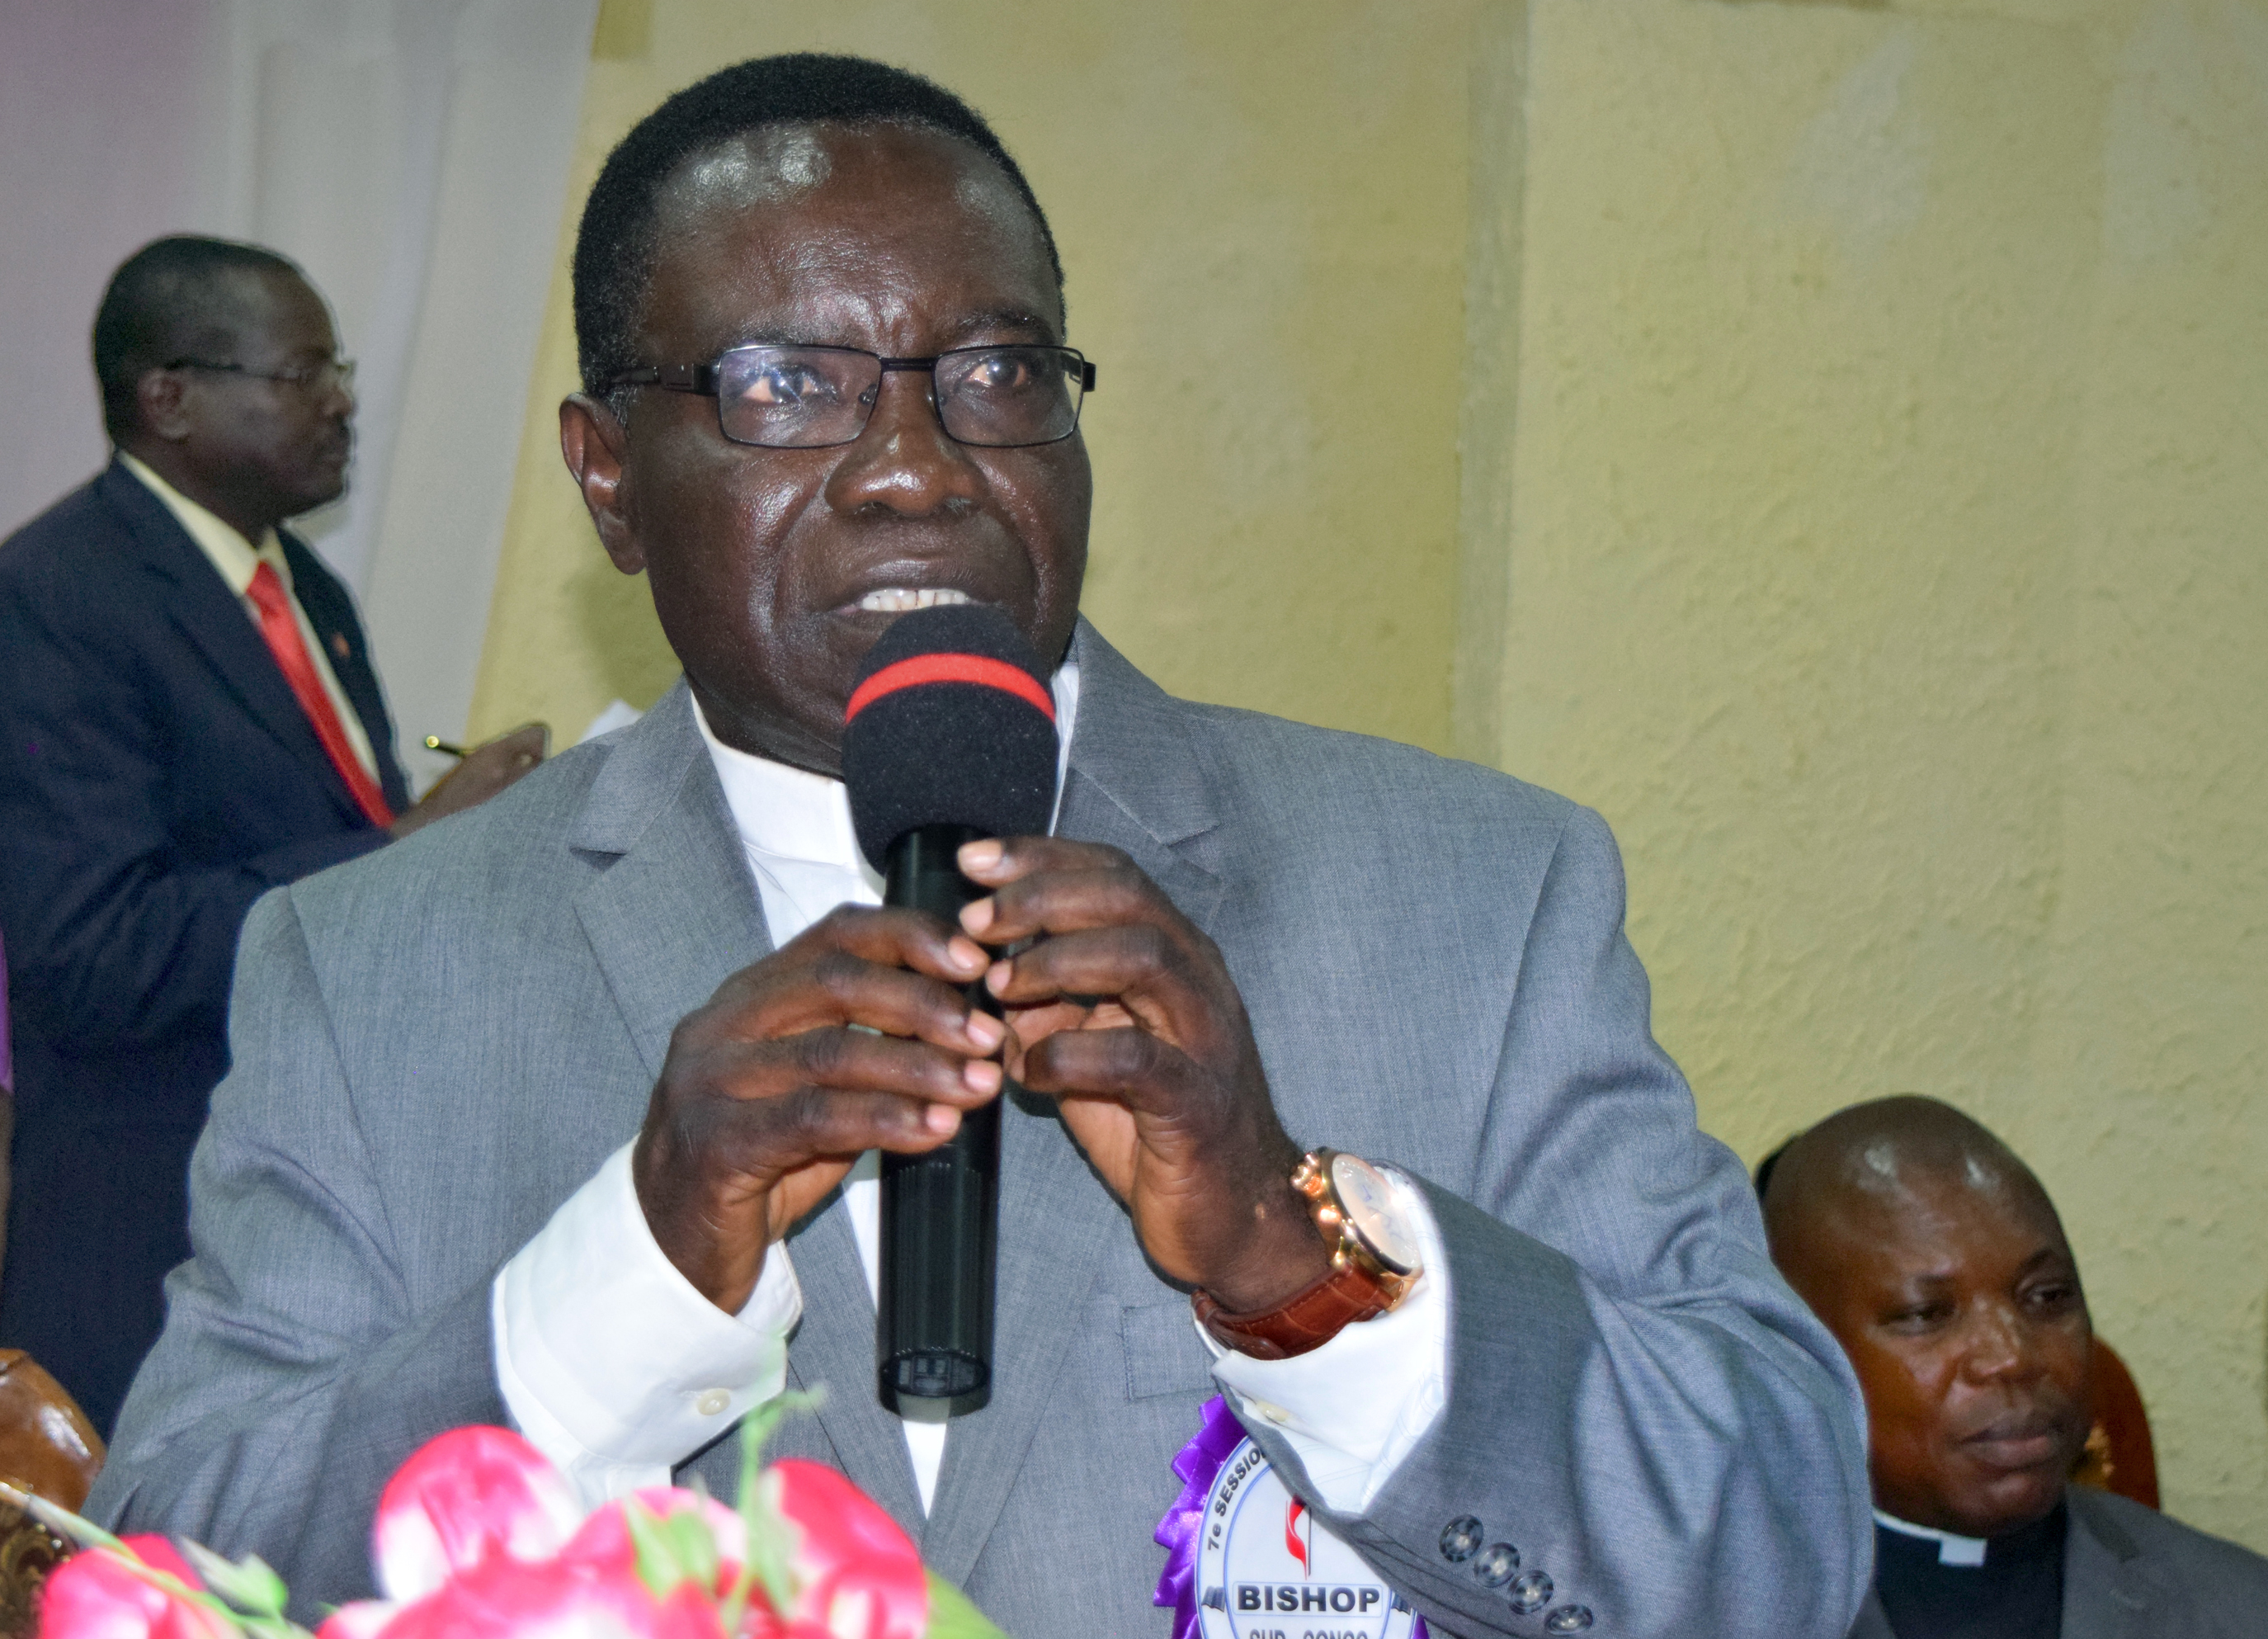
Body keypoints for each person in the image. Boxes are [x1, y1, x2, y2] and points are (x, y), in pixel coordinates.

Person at [89, 59, 1871, 1636]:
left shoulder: (1481, 895)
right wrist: (634, 1268)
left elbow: (1774, 1560)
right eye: (786, 385)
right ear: (607, 477)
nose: (915, 467)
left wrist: (1289, 1252)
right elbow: (163, 1587)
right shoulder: (373, 966)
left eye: (995, 370)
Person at [0, 237, 547, 1438]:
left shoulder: (308, 591)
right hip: (140, 1238)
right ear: (171, 398)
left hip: (312, 1224)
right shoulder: (52, 597)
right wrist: (402, 845)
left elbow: (345, 860)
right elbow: (95, 955)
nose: (343, 400)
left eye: (337, 366)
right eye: (302, 373)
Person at [1761, 1095, 2268, 1638]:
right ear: (1795, 1350)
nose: (2013, 1356)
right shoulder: (1697, 1608)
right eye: (1926, 1314)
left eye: (2046, 1297)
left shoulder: (2241, 1608)